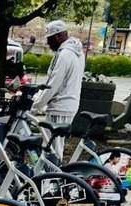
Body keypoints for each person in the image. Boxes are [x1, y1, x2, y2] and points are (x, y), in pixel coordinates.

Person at [31, 20, 85, 159]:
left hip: (60, 106)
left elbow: (53, 85)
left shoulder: (64, 55)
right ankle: (54, 176)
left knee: (52, 148)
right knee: (54, 145)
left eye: (49, 40)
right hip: (70, 103)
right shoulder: (78, 52)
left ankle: (54, 177)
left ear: (57, 36)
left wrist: (34, 107)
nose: (48, 44)